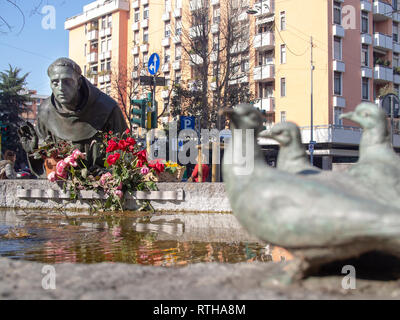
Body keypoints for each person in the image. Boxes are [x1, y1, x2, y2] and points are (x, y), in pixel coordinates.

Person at [18, 57, 128, 177]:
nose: (60, 88)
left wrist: (111, 173)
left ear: (79, 83)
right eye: (55, 82)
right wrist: (33, 151)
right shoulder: (46, 112)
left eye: (67, 81)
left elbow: (125, 153)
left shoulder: (108, 108)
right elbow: (46, 169)